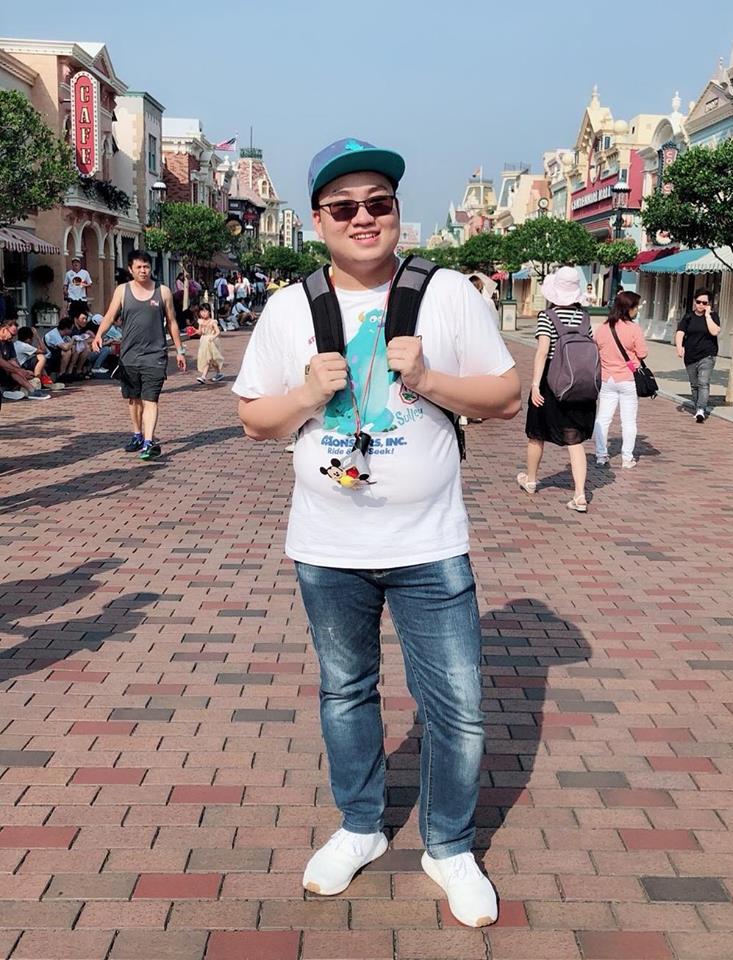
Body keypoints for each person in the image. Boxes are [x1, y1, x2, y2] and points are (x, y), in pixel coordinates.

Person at [232, 137, 520, 927]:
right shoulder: (289, 307)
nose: (363, 218)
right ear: (318, 220)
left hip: (430, 544)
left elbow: (505, 397)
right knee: (346, 691)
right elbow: (255, 420)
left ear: (396, 211)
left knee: (458, 704)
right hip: (329, 548)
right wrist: (304, 396)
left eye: (378, 203)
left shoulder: (448, 292)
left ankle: (448, 846)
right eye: (344, 207)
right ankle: (360, 826)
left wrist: (428, 380)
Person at [92, 249, 187, 460]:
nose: (143, 271)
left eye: (146, 266)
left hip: (155, 355)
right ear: (131, 269)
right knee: (134, 399)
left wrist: (180, 351)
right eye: (139, 267)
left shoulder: (163, 292)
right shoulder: (122, 291)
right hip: (129, 355)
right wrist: (99, 335)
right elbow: (109, 316)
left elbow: (172, 322)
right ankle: (137, 434)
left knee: (150, 398)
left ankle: (148, 442)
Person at [517, 266, 596, 513]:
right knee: (575, 440)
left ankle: (531, 480)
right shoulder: (584, 318)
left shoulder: (547, 317)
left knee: (537, 433)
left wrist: (534, 385)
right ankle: (580, 494)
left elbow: (542, 352)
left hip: (551, 382)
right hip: (578, 384)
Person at [593, 291, 648, 469]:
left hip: (606, 378)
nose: (637, 310)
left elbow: (595, 349)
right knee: (628, 420)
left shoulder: (603, 328)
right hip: (628, 378)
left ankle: (601, 455)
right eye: (636, 306)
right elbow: (642, 353)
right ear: (628, 308)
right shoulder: (633, 328)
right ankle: (627, 458)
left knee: (603, 418)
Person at [675, 288, 720, 423]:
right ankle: (697, 406)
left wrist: (707, 316)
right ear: (695, 302)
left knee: (703, 383)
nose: (701, 305)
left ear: (709, 304)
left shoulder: (713, 316)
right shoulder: (688, 317)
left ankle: (701, 409)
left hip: (707, 355)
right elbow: (680, 332)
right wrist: (679, 347)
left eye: (704, 303)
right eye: (698, 302)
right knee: (694, 385)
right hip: (690, 356)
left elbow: (714, 331)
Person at [0, 319, 50, 400]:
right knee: (11, 368)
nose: (12, 338)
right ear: (4, 330)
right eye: (12, 335)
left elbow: (13, 360)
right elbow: (1, 362)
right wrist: (19, 371)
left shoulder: (9, 343)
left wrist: (23, 371)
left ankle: (30, 390)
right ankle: (31, 390)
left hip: (5, 372)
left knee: (13, 367)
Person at [195, 304, 224, 384]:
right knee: (209, 359)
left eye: (205, 311)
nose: (203, 313)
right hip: (204, 341)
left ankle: (203, 376)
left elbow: (218, 332)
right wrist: (195, 331)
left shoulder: (212, 322)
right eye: (201, 311)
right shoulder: (200, 321)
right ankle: (218, 373)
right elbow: (200, 332)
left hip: (211, 342)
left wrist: (213, 337)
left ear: (209, 312)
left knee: (209, 359)